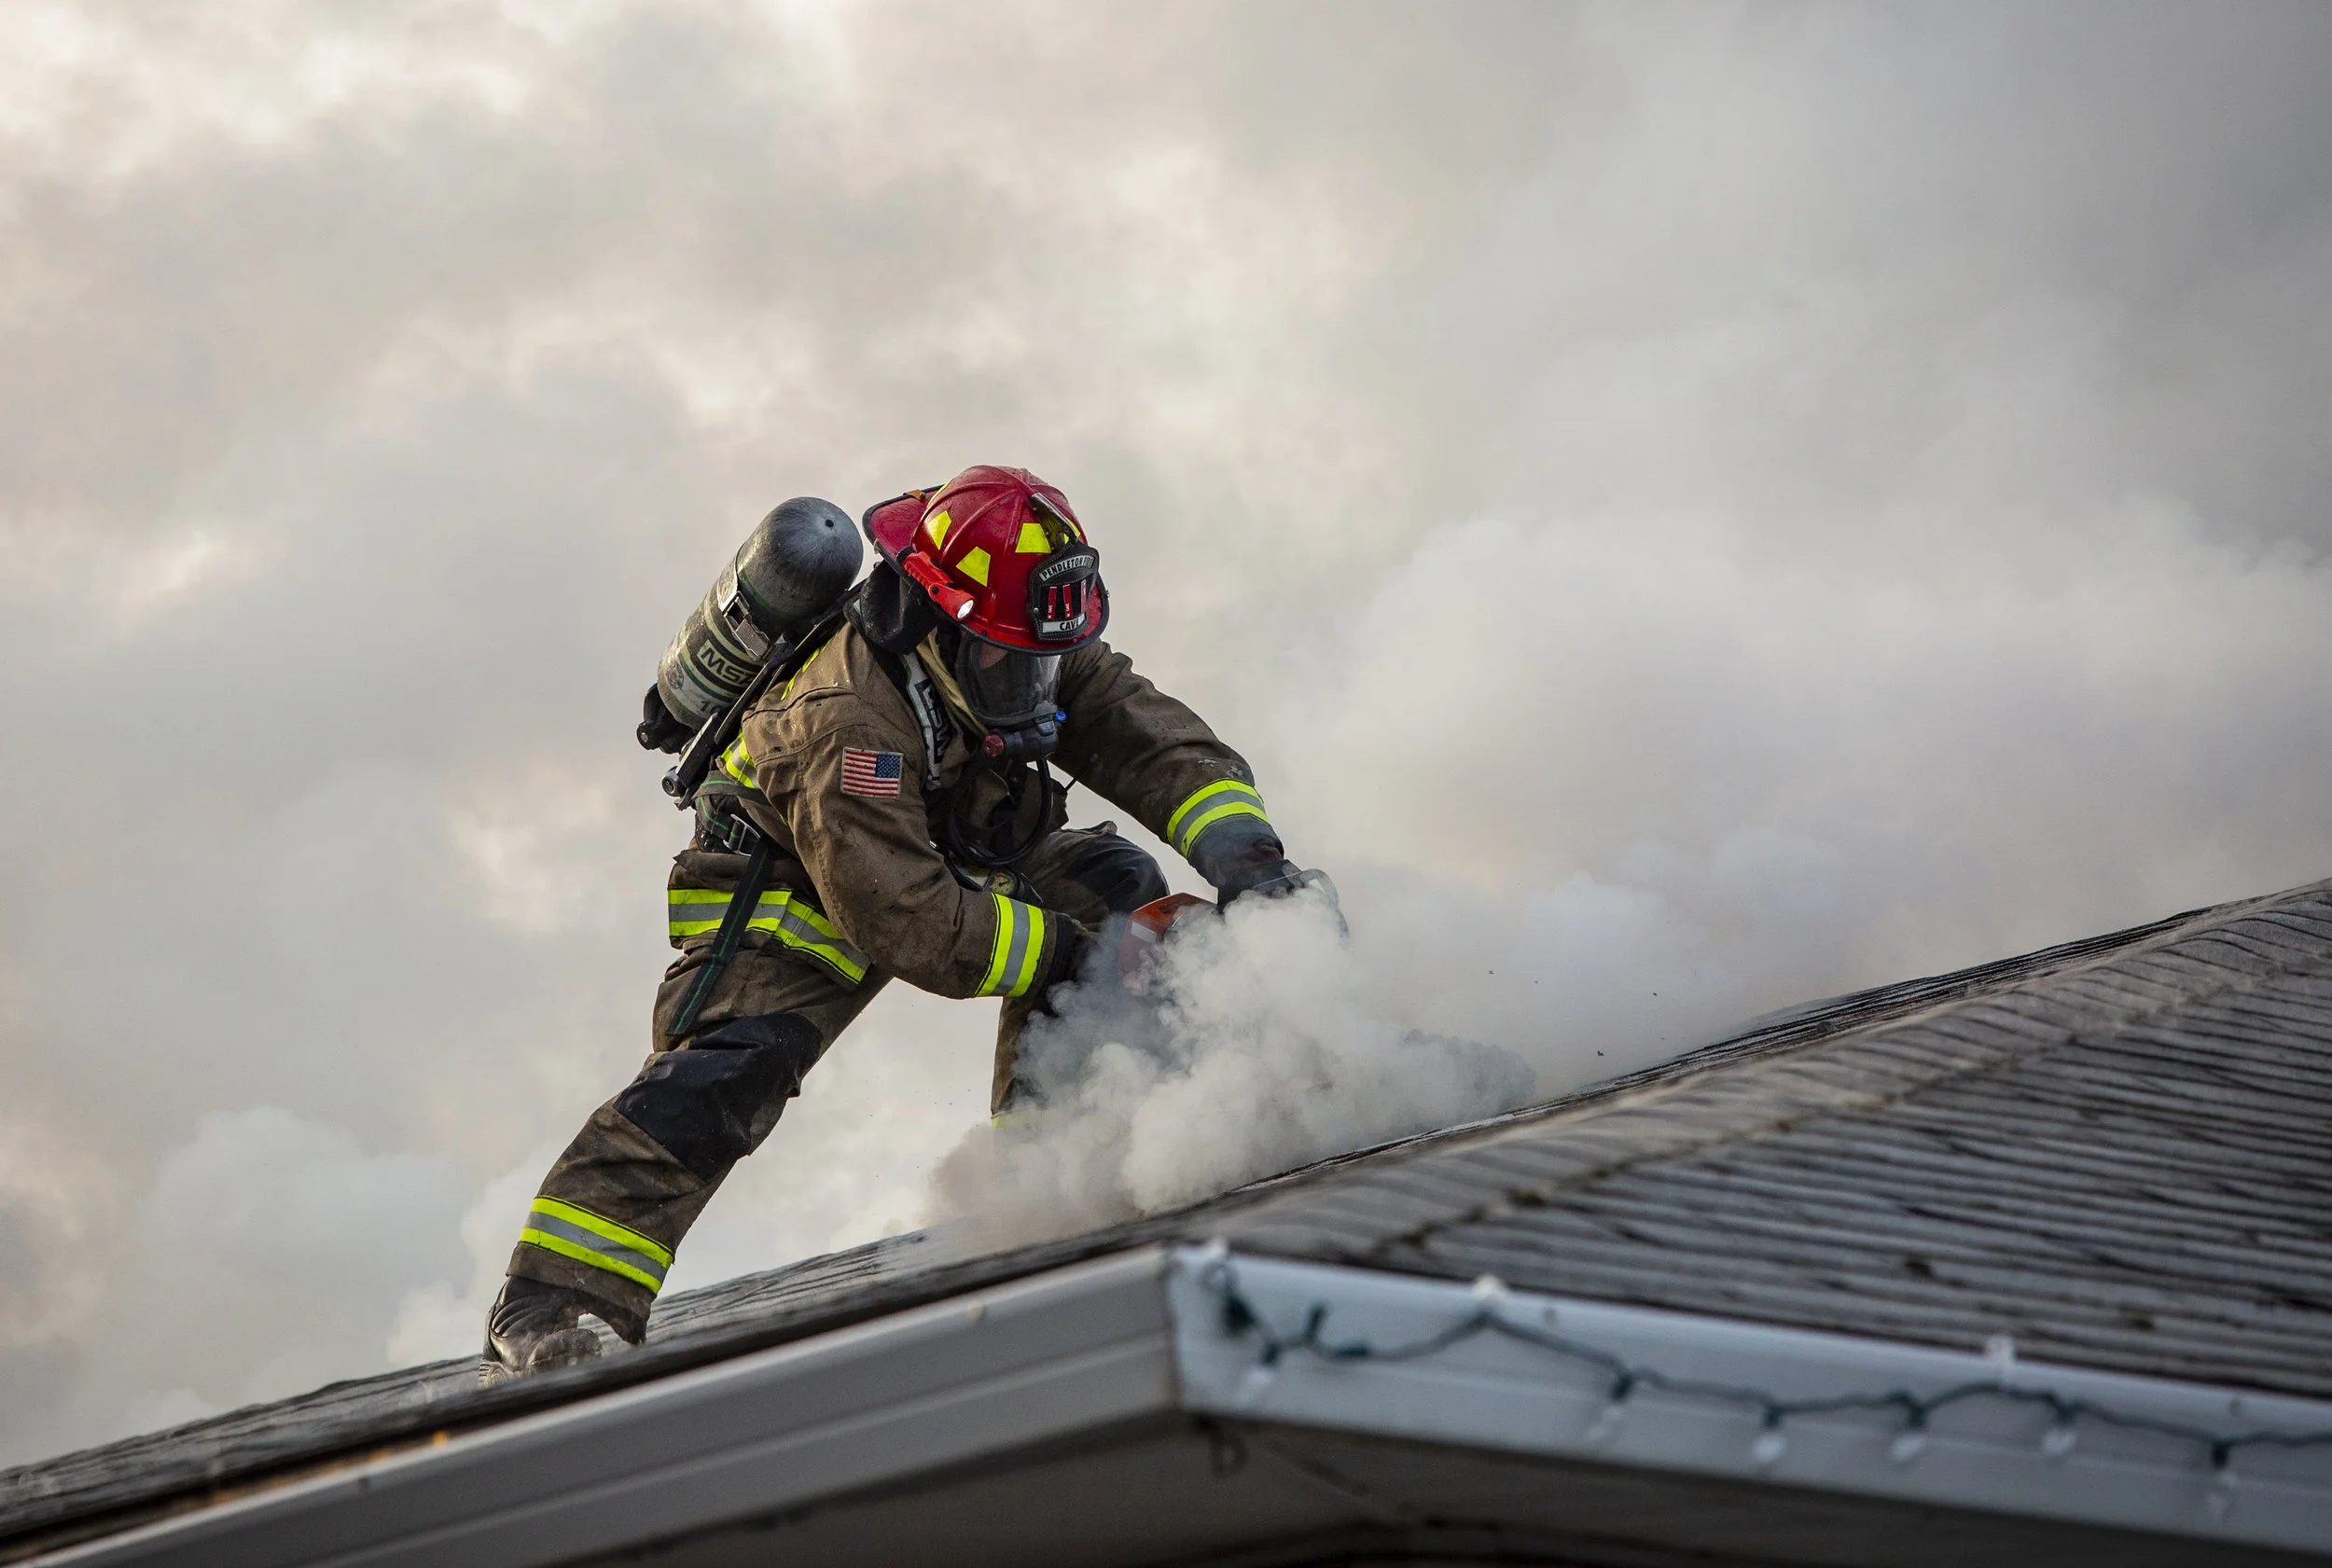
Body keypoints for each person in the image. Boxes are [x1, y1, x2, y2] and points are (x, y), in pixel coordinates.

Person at [482, 465, 1314, 1379]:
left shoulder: (1013, 627)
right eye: (1008, 662)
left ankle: (1050, 1177)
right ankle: (556, 1296)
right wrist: (1092, 955)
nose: (1035, 682)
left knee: (1112, 885)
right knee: (734, 1067)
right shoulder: (842, 715)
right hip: (794, 871)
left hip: (952, 822)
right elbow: (909, 920)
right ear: (937, 621)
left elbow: (1148, 737)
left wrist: (1249, 861)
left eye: (1045, 657)